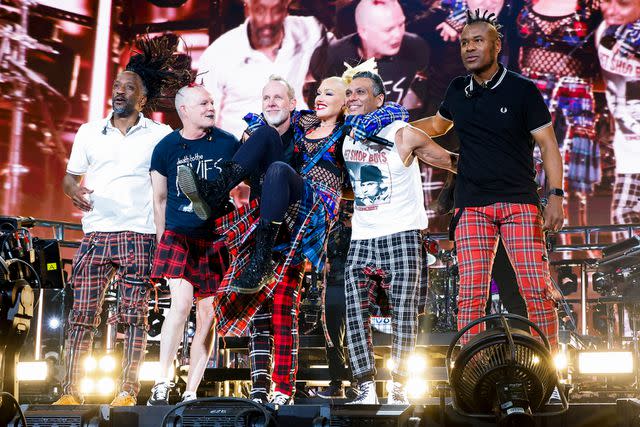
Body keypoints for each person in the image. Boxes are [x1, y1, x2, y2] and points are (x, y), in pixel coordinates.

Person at [178, 70, 409, 404]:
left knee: (280, 170)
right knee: (266, 136)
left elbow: (396, 113)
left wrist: (366, 108)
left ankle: (282, 387)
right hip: (285, 198)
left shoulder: (352, 128)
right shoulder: (303, 123)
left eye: (330, 93)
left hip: (316, 206)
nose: (321, 97)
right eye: (319, 92)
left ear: (346, 101)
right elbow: (266, 118)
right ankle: (215, 192)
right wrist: (253, 132)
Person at [412, 10, 564, 350]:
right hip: (471, 205)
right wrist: (395, 130)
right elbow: (437, 127)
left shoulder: (522, 90)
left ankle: (551, 373)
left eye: (477, 41)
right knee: (470, 295)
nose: (468, 48)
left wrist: (556, 195)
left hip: (519, 203)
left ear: (496, 46)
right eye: (464, 42)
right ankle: (473, 369)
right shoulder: (457, 89)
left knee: (536, 290)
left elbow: (549, 146)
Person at [53, 34, 191, 406]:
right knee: (81, 313)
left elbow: (176, 180)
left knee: (133, 317)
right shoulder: (88, 132)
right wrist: (73, 192)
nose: (119, 92)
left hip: (139, 233)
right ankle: (70, 391)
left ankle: (127, 390)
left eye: (128, 88)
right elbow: (70, 177)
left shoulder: (160, 135)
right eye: (116, 86)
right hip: (97, 232)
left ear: (143, 98)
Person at [341, 70, 457, 405]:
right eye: (349, 94)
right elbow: (355, 184)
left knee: (405, 313)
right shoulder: (348, 137)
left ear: (379, 99)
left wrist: (500, 174)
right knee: (354, 311)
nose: (351, 99)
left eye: (359, 92)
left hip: (402, 235)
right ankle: (364, 386)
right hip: (362, 236)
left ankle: (400, 386)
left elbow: (449, 161)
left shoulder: (403, 134)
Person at [146, 85, 240, 405]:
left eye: (212, 102)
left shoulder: (229, 143)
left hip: (215, 238)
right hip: (179, 236)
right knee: (182, 303)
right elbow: (159, 199)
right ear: (184, 110)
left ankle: (190, 391)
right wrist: (161, 240)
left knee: (207, 315)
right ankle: (162, 380)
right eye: (203, 103)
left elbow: (244, 186)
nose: (211, 107)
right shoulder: (166, 147)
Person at [198, 0, 327, 138]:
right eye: (260, 10)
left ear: (286, 7)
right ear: (248, 6)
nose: (268, 20)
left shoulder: (308, 30)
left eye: (276, 10)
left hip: (297, 148)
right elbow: (202, 117)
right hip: (241, 150)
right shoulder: (218, 54)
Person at [310, 0, 428, 110]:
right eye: (388, 29)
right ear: (363, 32)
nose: (398, 34)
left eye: (401, 24)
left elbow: (419, 72)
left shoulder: (415, 47)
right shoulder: (332, 56)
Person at [596, 0, 640, 240]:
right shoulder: (606, 32)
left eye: (622, 3)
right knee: (623, 223)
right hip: (630, 150)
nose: (611, 8)